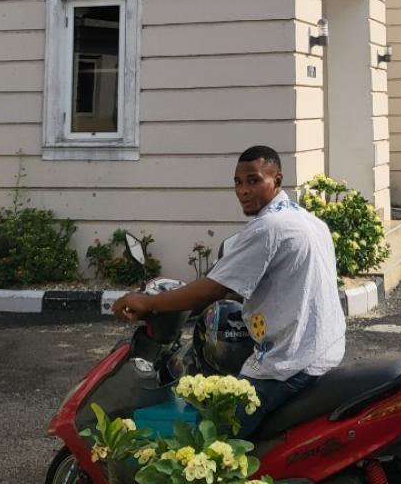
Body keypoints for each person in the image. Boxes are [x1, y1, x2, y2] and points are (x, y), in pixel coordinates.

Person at [112, 145, 345, 437]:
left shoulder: (268, 227)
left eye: (254, 180)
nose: (243, 190)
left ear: (277, 180)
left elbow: (211, 288)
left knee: (216, 444)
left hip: (288, 363)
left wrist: (148, 303)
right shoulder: (307, 220)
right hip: (323, 350)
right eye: (238, 182)